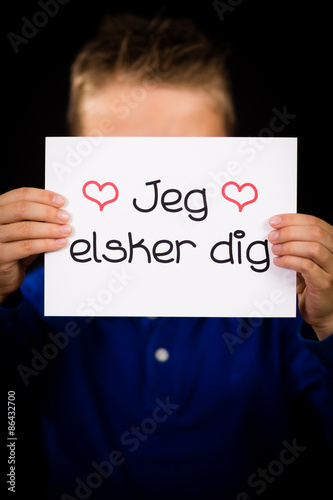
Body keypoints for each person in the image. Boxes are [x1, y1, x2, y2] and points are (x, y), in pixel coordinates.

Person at [2, 12, 333, 500]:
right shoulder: (33, 300)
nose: (161, 188)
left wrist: (329, 327)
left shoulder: (285, 305)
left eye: (190, 160)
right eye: (127, 160)